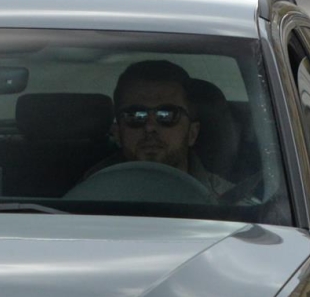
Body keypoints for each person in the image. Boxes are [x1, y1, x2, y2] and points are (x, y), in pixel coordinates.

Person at [92, 58, 235, 197]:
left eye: (167, 115)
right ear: (116, 133)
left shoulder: (231, 207)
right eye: (135, 115)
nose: (149, 127)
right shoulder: (83, 199)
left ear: (192, 133)